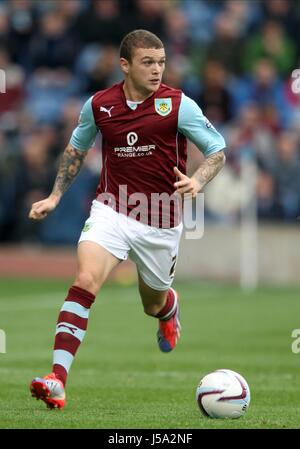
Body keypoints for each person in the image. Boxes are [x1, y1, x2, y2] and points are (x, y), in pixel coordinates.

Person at [28, 29, 226, 409]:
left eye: (162, 62)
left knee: (150, 303)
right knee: (85, 279)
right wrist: (54, 196)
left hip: (161, 222)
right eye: (148, 62)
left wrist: (198, 179)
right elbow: (75, 151)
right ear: (125, 65)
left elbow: (217, 148)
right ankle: (57, 379)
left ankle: (168, 307)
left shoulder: (178, 105)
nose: (157, 70)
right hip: (112, 209)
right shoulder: (99, 105)